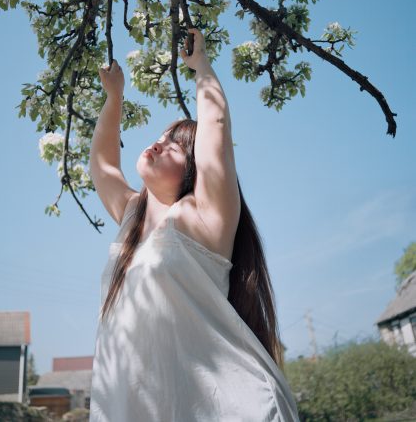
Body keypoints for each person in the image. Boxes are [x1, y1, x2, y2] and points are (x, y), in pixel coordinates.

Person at [88, 28, 299, 421]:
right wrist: (114, 97)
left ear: (193, 170)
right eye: (161, 135)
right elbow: (100, 167)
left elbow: (215, 127)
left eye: (176, 145)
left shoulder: (200, 216)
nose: (160, 142)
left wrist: (200, 64)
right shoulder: (132, 219)